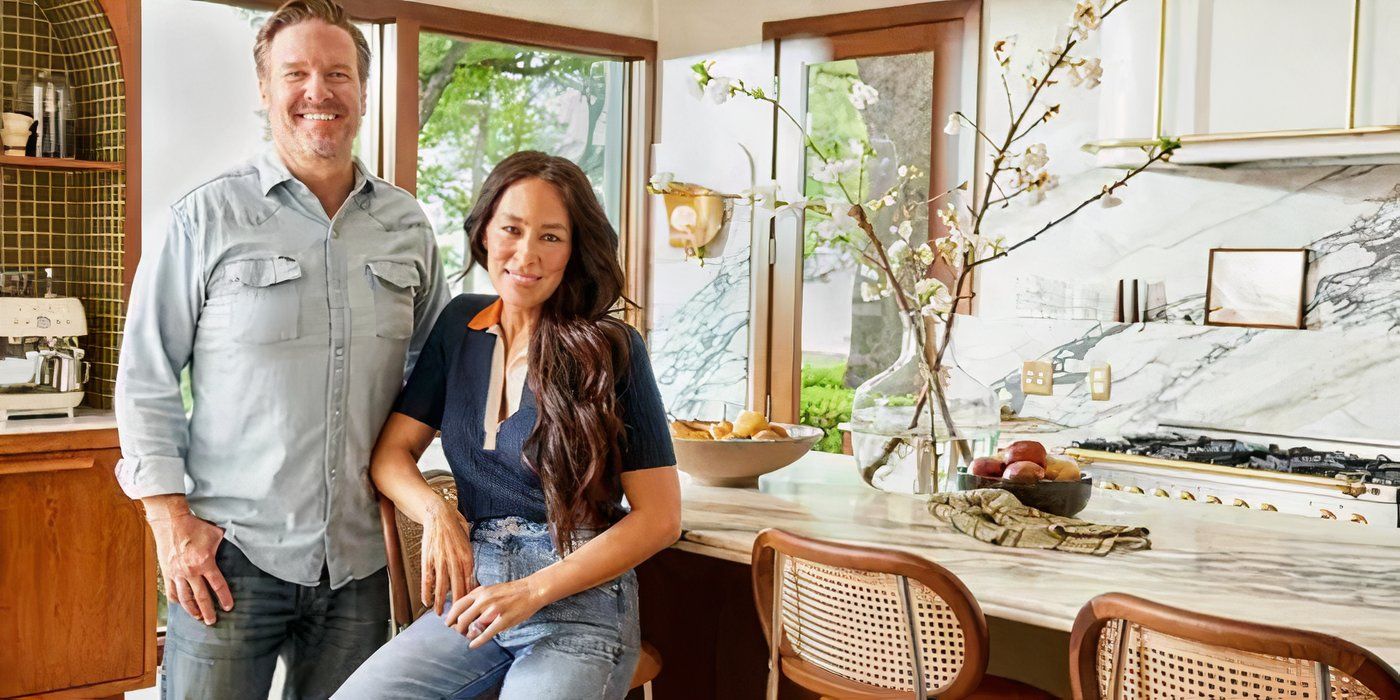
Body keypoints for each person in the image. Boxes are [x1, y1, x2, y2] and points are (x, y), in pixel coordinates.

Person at [114, 1, 449, 697]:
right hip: (228, 558)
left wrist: (426, 498)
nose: (318, 92)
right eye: (295, 73)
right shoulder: (203, 218)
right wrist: (170, 522)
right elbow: (145, 378)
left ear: (363, 89)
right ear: (264, 91)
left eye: (338, 74)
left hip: (361, 562)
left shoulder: (406, 226)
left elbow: (435, 375)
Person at [335, 151, 681, 700]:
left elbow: (660, 518)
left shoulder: (611, 349)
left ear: (575, 249)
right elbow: (390, 455)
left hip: (579, 606)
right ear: (484, 234)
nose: (526, 255)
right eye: (512, 230)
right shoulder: (459, 326)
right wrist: (437, 512)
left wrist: (532, 591)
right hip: (476, 599)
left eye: (550, 237)